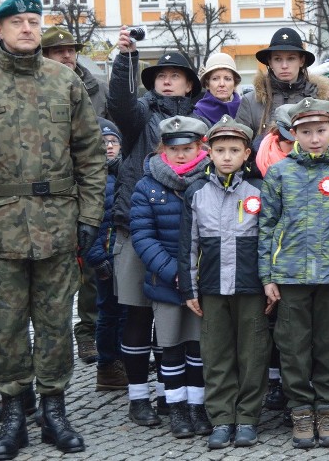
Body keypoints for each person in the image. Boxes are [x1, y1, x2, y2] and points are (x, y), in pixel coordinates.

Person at [0, 0, 106, 458]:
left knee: (56, 321)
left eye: (34, 21)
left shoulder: (65, 82)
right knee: (7, 323)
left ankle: (55, 410)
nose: (28, 29)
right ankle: (13, 411)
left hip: (59, 224)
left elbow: (91, 156)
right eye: (17, 22)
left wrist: (90, 215)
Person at [107, 29, 206, 427]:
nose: (167, 79)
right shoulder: (141, 116)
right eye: (161, 73)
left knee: (178, 317)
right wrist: (125, 59)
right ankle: (137, 397)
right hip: (136, 227)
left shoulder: (200, 121)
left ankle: (174, 396)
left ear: (188, 82)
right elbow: (118, 101)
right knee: (136, 315)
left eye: (175, 74)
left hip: (184, 233)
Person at [259, 98, 329, 449]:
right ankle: (301, 408)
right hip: (289, 276)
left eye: (321, 130)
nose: (314, 138)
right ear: (293, 133)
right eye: (305, 131)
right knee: (293, 345)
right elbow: (267, 227)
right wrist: (267, 276)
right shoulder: (280, 172)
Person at [178, 116, 270, 449]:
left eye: (234, 150)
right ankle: (221, 417)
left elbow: (269, 242)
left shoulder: (258, 190)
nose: (227, 156)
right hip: (212, 288)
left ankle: (247, 417)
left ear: (247, 153)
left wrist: (270, 284)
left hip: (251, 287)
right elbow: (187, 244)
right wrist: (189, 288)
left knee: (253, 354)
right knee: (216, 356)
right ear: (209, 153)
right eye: (220, 150)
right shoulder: (196, 192)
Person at [130, 116, 212, 439]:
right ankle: (176, 407)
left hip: (201, 283)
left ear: (199, 148)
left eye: (188, 148)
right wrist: (176, 274)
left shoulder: (209, 181)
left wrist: (196, 274)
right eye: (174, 148)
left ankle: (198, 406)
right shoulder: (147, 185)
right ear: (162, 149)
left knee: (198, 348)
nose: (181, 155)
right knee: (170, 348)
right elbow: (143, 237)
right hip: (165, 283)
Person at [41, 25, 105, 364]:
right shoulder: (41, 87)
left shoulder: (97, 88)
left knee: (92, 268)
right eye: (57, 51)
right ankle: (56, 340)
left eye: (71, 50)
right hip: (53, 194)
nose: (67, 56)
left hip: (90, 188)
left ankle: (88, 334)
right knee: (56, 273)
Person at [84, 118, 128, 392]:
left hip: (121, 256)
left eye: (113, 142)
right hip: (104, 258)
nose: (109, 147)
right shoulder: (92, 179)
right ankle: (108, 365)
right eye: (103, 143)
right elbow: (90, 225)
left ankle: (123, 359)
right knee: (109, 312)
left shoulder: (123, 173)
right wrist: (97, 258)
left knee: (123, 313)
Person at [235, 28, 329, 145]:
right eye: (278, 59)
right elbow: (239, 146)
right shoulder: (251, 102)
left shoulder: (319, 98)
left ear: (301, 61)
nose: (284, 65)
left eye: (291, 58)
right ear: (270, 62)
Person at [193, 52, 242, 124]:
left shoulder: (244, 109)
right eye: (215, 79)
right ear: (207, 83)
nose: (222, 84)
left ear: (235, 83)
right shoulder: (198, 112)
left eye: (227, 79)